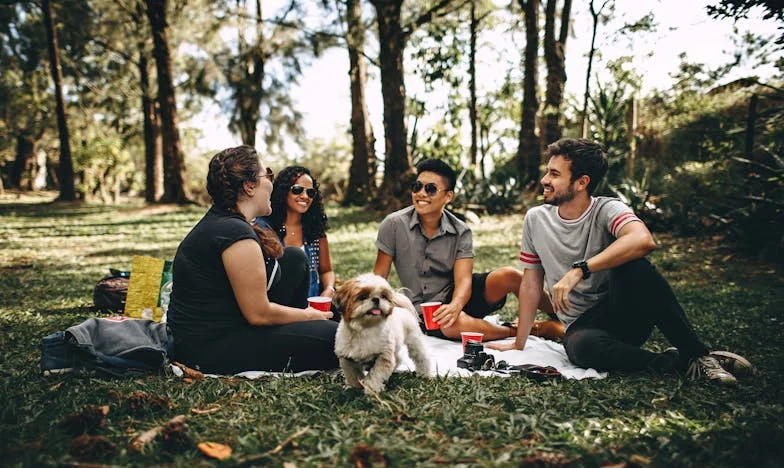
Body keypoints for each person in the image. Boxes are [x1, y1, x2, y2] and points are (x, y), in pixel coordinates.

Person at [487, 138, 753, 386]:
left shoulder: (607, 209)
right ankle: (679, 363)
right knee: (580, 348)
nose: (545, 179)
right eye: (548, 171)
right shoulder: (536, 219)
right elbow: (532, 284)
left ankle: (698, 354)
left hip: (624, 314)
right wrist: (519, 343)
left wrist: (581, 269)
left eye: (555, 174)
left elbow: (643, 240)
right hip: (583, 329)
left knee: (635, 265)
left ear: (582, 182)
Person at [167, 146, 339, 374]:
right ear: (249, 186)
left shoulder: (227, 222)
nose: (271, 182)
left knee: (294, 258)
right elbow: (258, 314)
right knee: (339, 338)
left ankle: (303, 330)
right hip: (211, 347)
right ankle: (308, 331)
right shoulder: (234, 234)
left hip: (232, 323)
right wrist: (309, 315)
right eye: (267, 174)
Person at [373, 158, 553, 341]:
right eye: (417, 186)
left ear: (448, 196)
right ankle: (529, 330)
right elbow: (378, 278)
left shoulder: (461, 231)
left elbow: (464, 281)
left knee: (511, 275)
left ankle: (562, 317)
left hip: (459, 296)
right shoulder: (393, 225)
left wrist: (456, 305)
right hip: (424, 310)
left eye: (430, 189)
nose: (421, 194)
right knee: (450, 324)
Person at [256, 166, 336, 298]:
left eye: (310, 192)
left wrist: (329, 289)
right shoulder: (264, 228)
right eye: (297, 190)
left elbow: (326, 270)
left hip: (312, 307)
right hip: (277, 308)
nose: (305, 196)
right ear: (283, 192)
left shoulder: (315, 230)